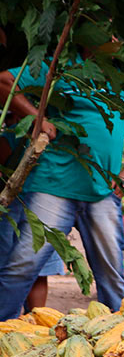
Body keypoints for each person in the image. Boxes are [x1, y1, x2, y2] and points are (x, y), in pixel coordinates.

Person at [0, 52, 124, 319]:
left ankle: (116, 340)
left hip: (103, 192)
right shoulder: (59, 69)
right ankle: (3, 330)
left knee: (112, 275)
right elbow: (4, 81)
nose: (114, 40)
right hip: (52, 186)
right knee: (21, 266)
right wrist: (37, 117)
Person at [0, 128, 65, 310]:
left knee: (37, 269)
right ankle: (10, 319)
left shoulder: (52, 139)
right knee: (14, 268)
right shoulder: (10, 139)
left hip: (40, 206)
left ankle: (35, 318)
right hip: (12, 208)